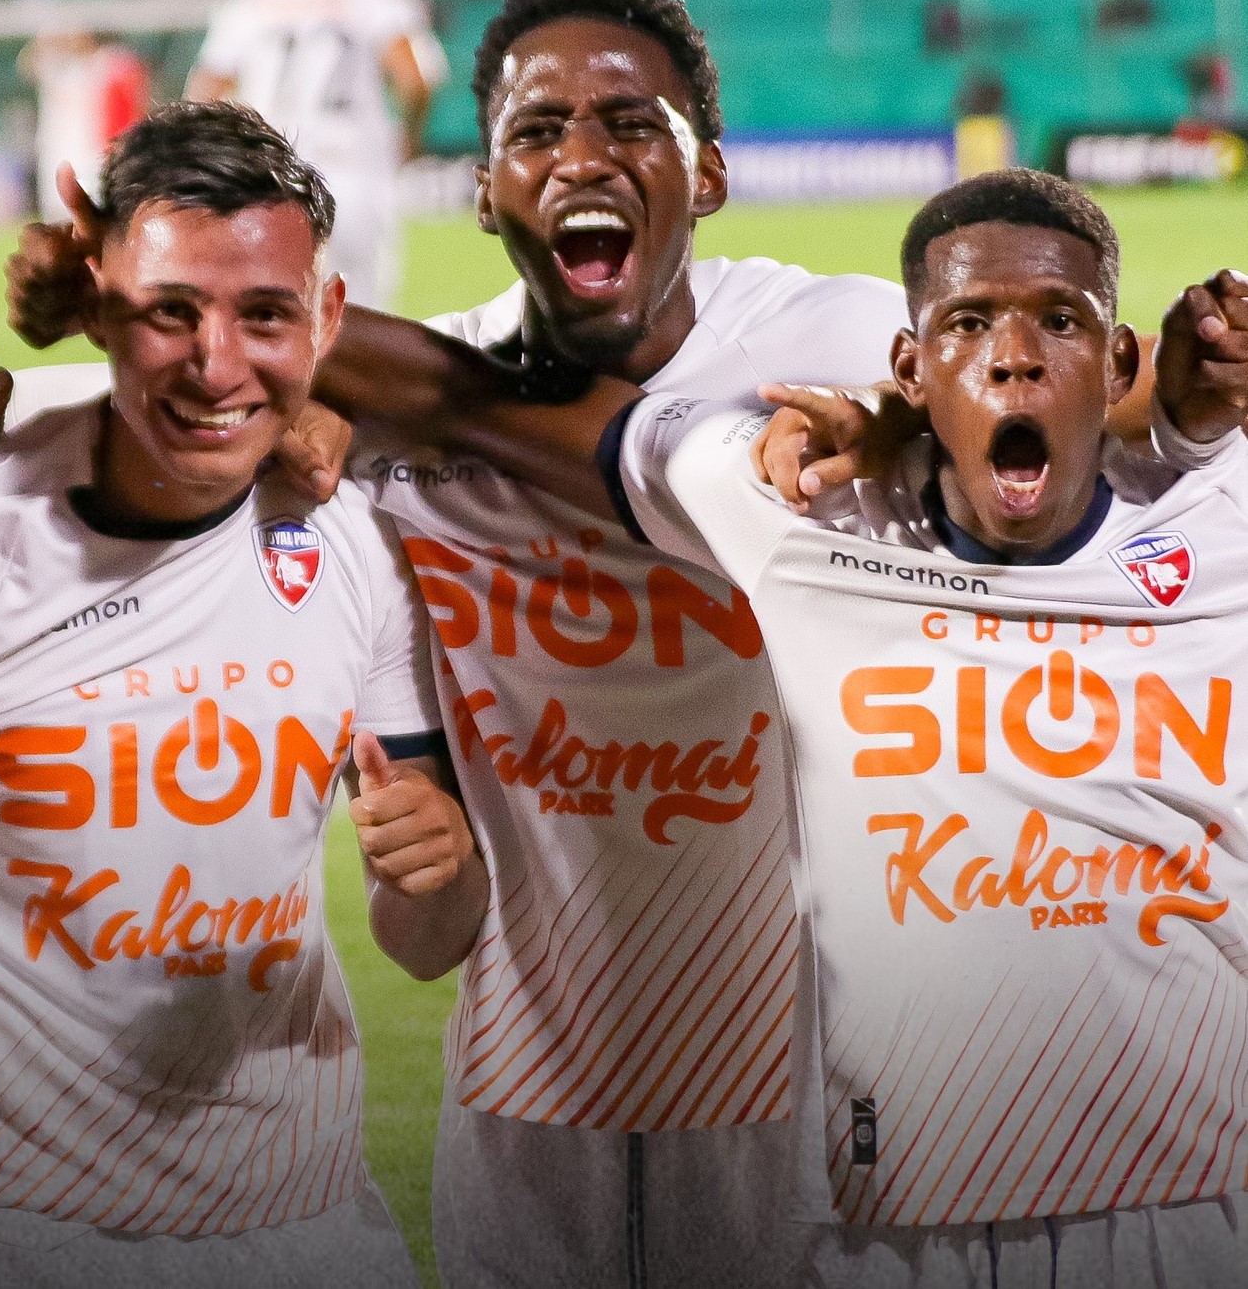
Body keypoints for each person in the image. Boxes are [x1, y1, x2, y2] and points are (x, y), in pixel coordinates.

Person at [4, 0, 908, 1289]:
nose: (581, 156)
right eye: (537, 130)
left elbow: (1071, 406)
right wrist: (65, 333)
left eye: (631, 122)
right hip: (527, 1099)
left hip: (805, 1091)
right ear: (484, 190)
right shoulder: (379, 431)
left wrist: (905, 425)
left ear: (707, 173)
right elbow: (100, 432)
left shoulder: (835, 341)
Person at [315, 168, 1248, 1288]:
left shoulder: (1225, 526)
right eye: (966, 325)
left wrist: (1198, 412)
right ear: (907, 369)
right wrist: (267, 337)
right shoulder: (795, 513)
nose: (1013, 357)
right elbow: (497, 409)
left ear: (1121, 362)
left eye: (1061, 321)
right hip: (902, 1226)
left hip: (1194, 1207)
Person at [0, 100, 486, 1289]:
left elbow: (429, 942)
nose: (216, 364)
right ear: (100, 305)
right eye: (170, 313)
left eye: (264, 314)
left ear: (327, 320)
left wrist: (444, 869)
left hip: (316, 1215)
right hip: (28, 1233)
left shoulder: (356, 543)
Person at [187, 0, 446, 311]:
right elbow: (415, 82)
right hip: (353, 168)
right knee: (363, 312)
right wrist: (409, 138)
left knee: (275, 307)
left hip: (269, 170)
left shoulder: (253, 0)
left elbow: (203, 93)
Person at [21, 32, 150, 223]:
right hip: (60, 149)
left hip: (92, 149)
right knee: (59, 207)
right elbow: (28, 64)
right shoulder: (62, 67)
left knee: (95, 204)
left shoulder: (105, 64)